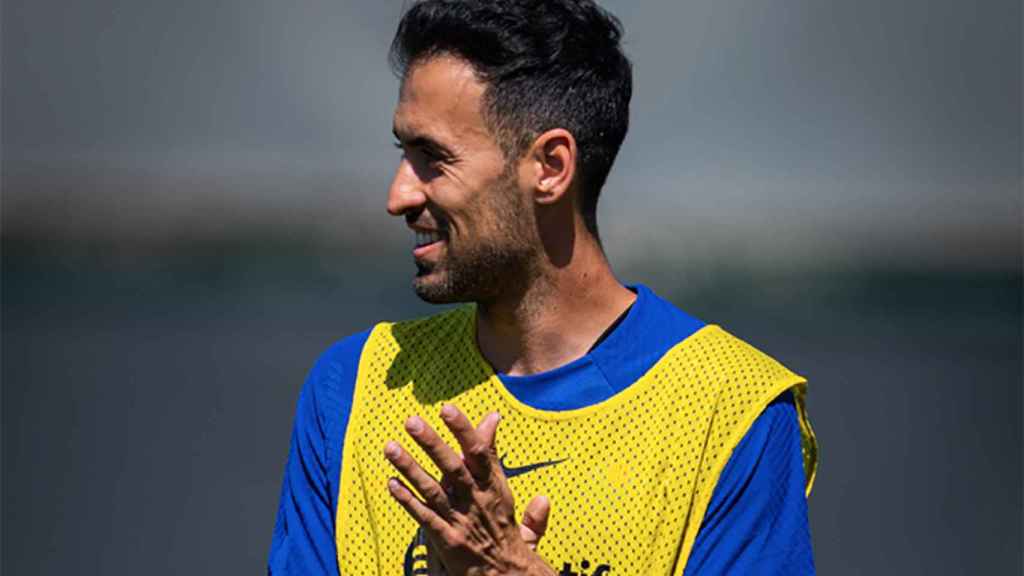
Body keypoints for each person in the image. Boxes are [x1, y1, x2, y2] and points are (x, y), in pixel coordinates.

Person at [269, 1, 818, 574]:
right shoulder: (353, 390)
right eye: (402, 154)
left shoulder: (730, 412)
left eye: (432, 158)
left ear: (551, 167)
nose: (398, 196)